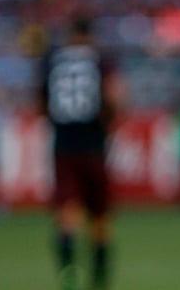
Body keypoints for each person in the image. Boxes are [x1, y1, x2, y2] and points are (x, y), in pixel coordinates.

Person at [40, 17, 125, 290]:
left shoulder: (52, 59)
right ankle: (99, 280)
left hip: (63, 143)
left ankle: (68, 275)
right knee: (99, 215)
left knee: (66, 211)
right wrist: (109, 125)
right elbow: (115, 96)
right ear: (90, 35)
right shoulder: (100, 60)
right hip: (93, 143)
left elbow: (41, 103)